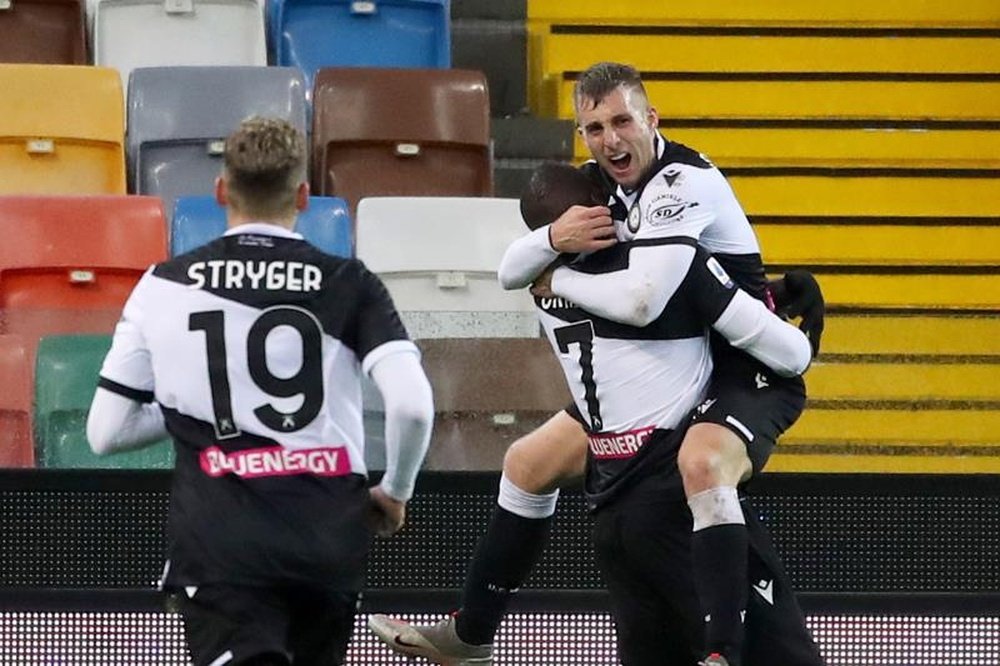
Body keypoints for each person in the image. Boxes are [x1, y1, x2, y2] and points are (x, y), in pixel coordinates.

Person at [369, 61, 824, 666]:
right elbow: (510, 270)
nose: (610, 140)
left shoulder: (681, 182)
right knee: (527, 461)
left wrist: (555, 278)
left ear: (650, 119)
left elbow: (642, 301)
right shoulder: (606, 188)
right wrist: (552, 241)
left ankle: (723, 650)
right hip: (684, 360)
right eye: (593, 128)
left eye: (621, 121)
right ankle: (472, 633)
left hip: (746, 365)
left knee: (701, 461)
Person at [86, 116, 434, 666]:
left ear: (221, 191)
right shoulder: (352, 283)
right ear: (303, 195)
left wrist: (192, 400)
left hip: (223, 547)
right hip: (328, 542)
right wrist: (395, 492)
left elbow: (105, 433)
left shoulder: (164, 284)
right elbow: (413, 407)